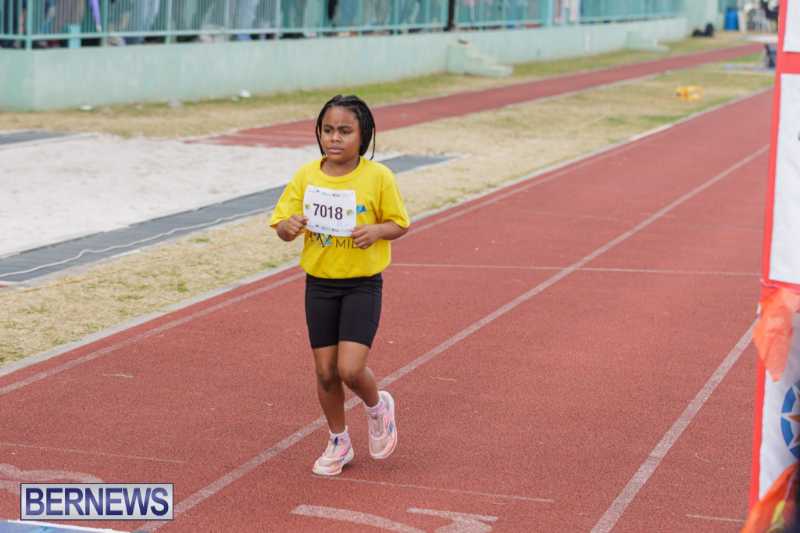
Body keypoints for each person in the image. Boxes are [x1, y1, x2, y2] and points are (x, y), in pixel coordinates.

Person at [269, 94, 410, 476]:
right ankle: (338, 440)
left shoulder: (378, 177)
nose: (335, 138)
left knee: (350, 368)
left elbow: (400, 223)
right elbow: (281, 226)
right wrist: (289, 227)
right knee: (326, 372)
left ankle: (377, 406)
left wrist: (376, 230)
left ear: (362, 137)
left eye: (345, 131)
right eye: (328, 130)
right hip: (319, 285)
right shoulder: (306, 175)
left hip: (362, 285)